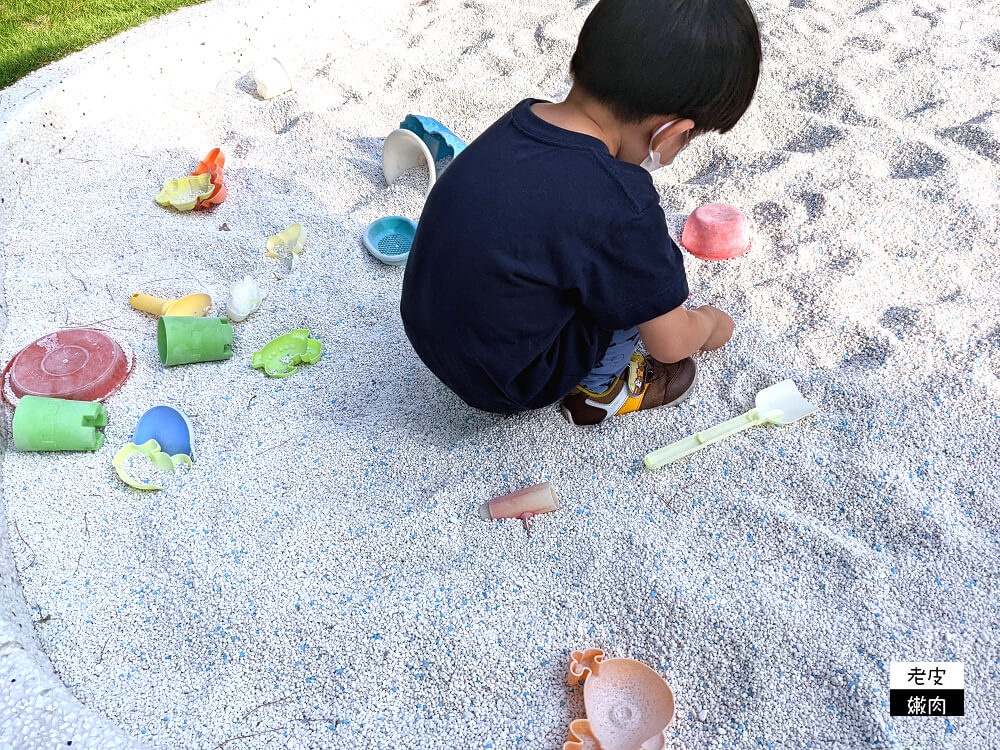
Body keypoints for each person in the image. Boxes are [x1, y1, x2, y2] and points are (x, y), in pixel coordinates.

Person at [401, 0, 761, 425]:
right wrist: (710, 324)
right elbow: (670, 344)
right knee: (638, 273)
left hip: (428, 334)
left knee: (597, 253)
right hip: (509, 381)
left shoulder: (521, 119)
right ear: (670, 133)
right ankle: (600, 392)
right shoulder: (622, 203)